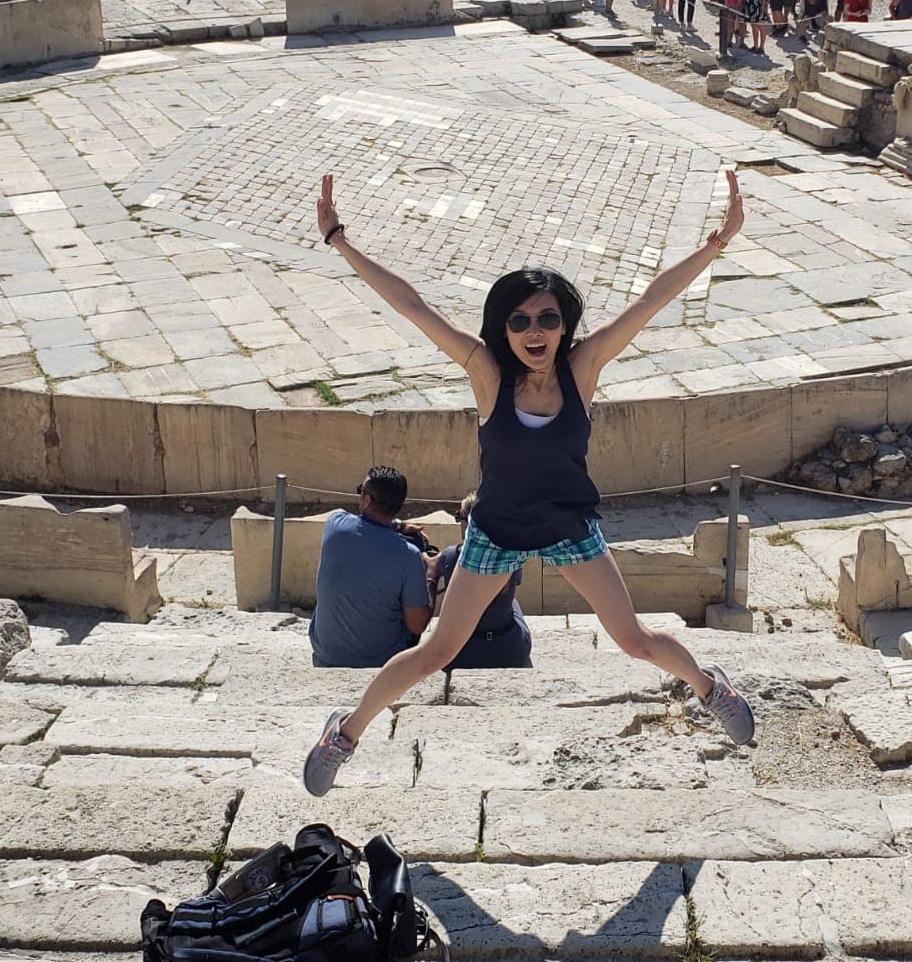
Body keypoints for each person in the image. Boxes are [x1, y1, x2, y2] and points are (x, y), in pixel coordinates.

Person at [302, 173, 756, 795]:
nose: (534, 330)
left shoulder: (582, 368)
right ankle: (344, 732)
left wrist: (715, 244)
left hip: (569, 526)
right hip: (496, 532)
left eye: (547, 318)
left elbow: (650, 302)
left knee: (634, 640)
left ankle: (710, 687)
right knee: (436, 651)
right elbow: (412, 307)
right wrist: (339, 240)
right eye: (520, 320)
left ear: (563, 324)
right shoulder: (486, 375)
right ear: (503, 328)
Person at [309, 467, 437, 669]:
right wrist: (431, 574)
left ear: (367, 500)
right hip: (381, 661)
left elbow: (365, 523)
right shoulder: (409, 555)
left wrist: (397, 525)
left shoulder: (335, 525)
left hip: (326, 653)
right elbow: (417, 625)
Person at [435, 494, 532, 669]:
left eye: (460, 517)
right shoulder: (511, 554)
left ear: (467, 524)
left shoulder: (450, 556)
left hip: (462, 653)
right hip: (509, 650)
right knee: (511, 602)